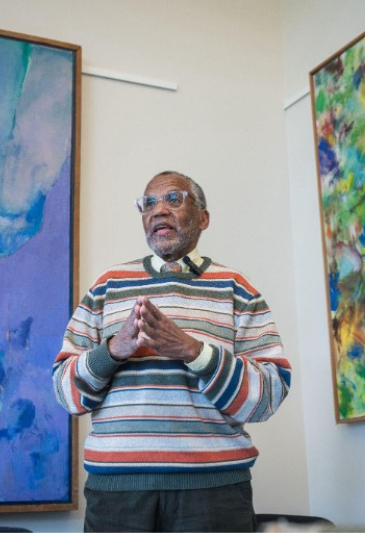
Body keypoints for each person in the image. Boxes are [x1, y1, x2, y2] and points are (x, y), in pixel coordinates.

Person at [53, 171, 291, 532]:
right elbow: (66, 393)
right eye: (148, 203)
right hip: (116, 495)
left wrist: (195, 352)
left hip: (215, 494)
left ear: (203, 217)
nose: (158, 211)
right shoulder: (106, 287)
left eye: (174, 199)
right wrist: (113, 350)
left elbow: (268, 394)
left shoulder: (237, 289)